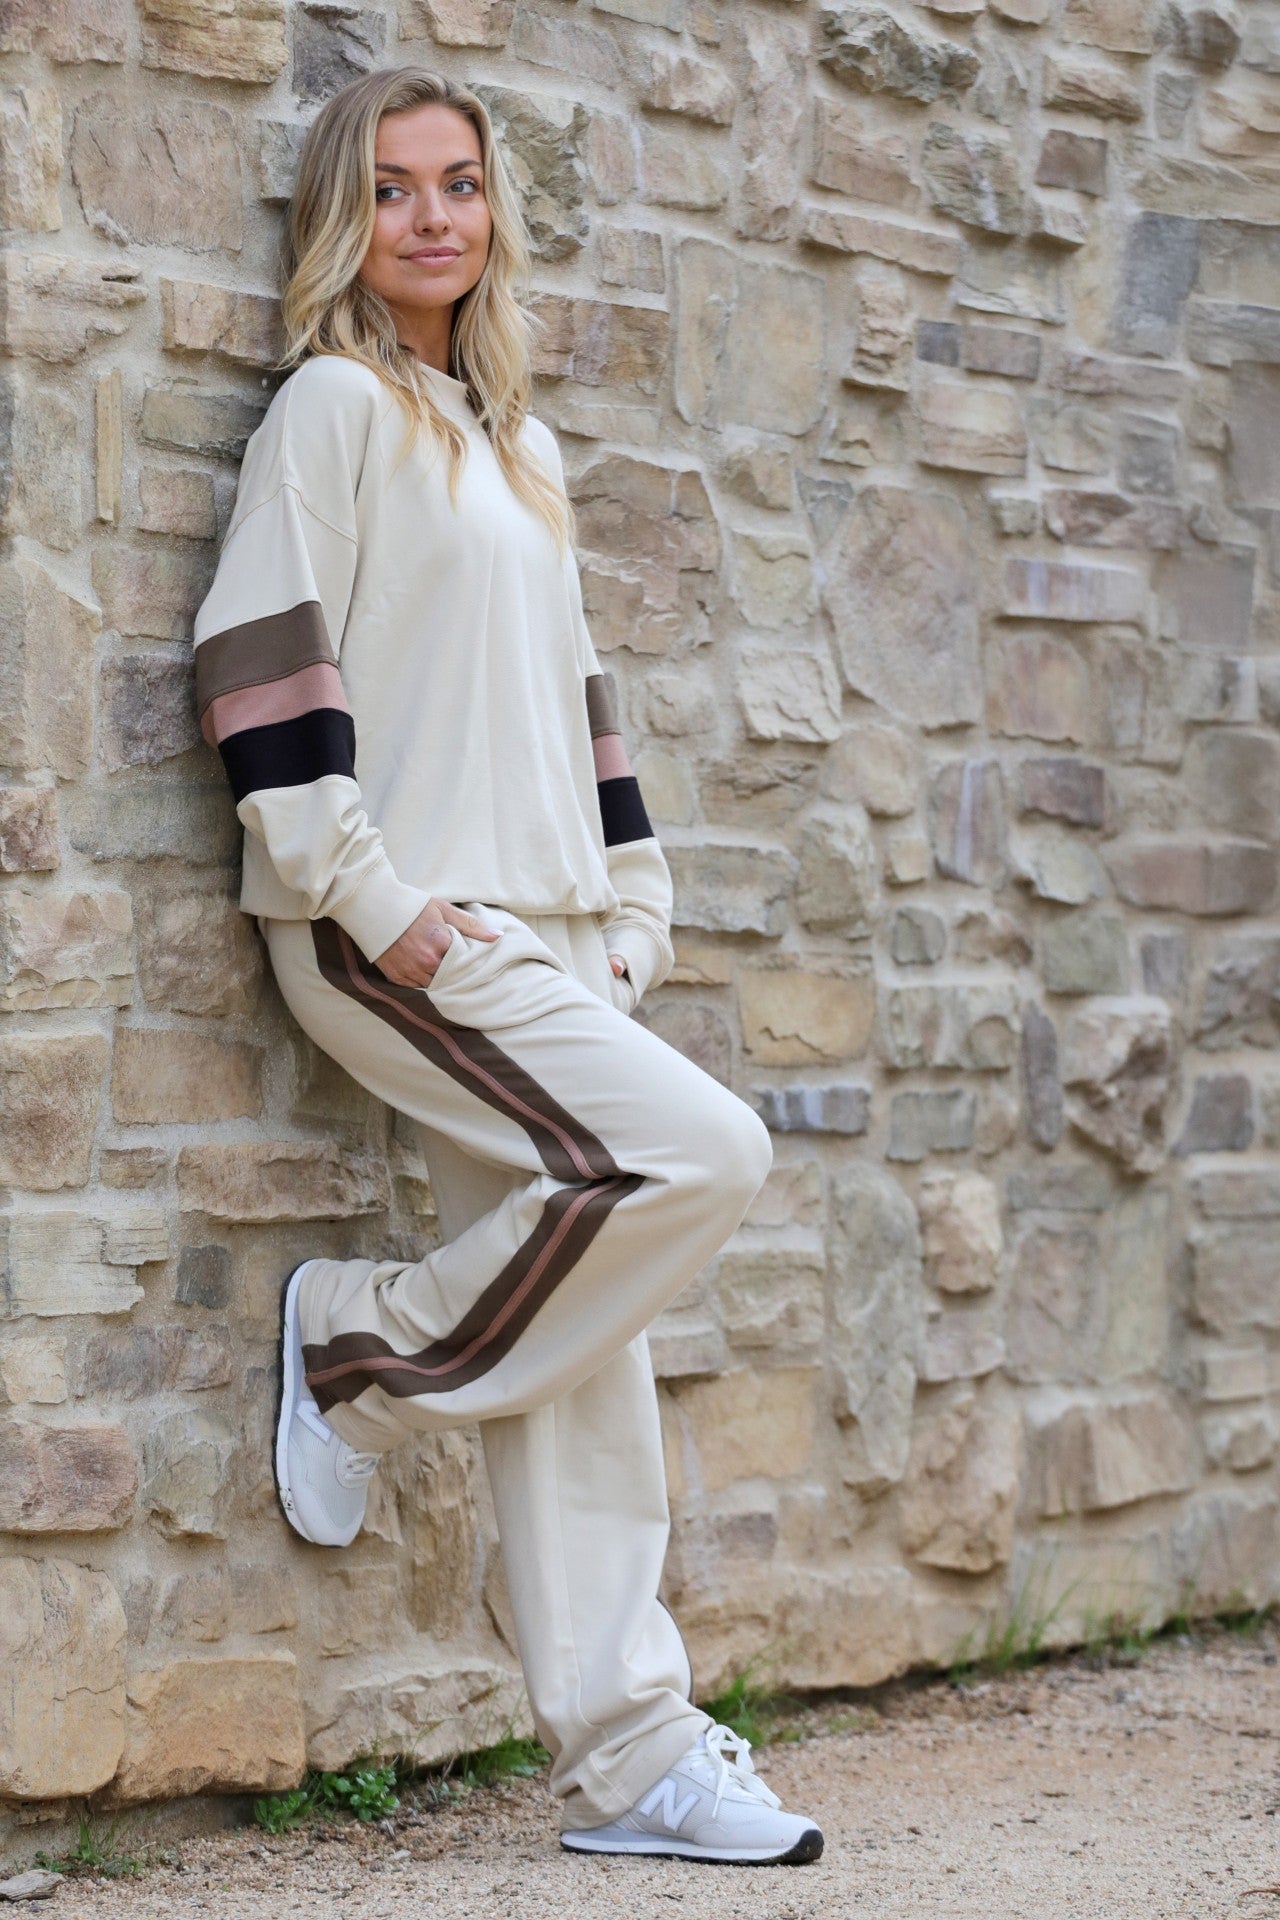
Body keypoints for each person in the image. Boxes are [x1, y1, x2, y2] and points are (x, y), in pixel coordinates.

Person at [190, 64, 824, 1867]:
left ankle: (632, 1761)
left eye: (459, 184)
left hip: (545, 940)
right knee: (701, 1156)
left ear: (495, 210)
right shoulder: (333, 410)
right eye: (393, 189)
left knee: (587, 1322)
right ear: (346, 218)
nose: (433, 218)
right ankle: (359, 1353)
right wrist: (372, 900)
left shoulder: (520, 446)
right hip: (402, 926)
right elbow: (257, 665)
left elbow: (576, 703)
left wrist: (631, 903)